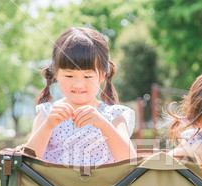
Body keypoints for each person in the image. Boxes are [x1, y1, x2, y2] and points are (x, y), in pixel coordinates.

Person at [26, 26, 136, 167]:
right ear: (56, 74)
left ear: (102, 75)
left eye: (87, 76)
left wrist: (103, 125)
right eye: (69, 75)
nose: (78, 84)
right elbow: (28, 161)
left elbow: (130, 161)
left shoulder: (114, 116)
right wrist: (48, 125)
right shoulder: (47, 113)